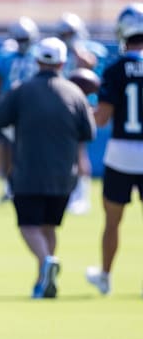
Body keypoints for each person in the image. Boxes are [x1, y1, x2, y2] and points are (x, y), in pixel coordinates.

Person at [0, 37, 95, 299]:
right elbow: (89, 132)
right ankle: (43, 281)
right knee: (49, 227)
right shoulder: (75, 92)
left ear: (37, 60)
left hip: (28, 172)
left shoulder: (22, 89)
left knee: (28, 226)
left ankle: (46, 260)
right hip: (63, 176)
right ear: (62, 61)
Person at [85, 3, 143, 296]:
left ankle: (106, 277)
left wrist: (83, 111)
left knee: (112, 221)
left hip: (121, 151)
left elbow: (103, 117)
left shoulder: (116, 68)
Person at [55, 12, 110, 215]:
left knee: (79, 152)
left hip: (85, 107)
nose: (66, 37)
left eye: (70, 33)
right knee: (66, 155)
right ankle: (71, 193)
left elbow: (90, 65)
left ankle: (82, 196)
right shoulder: (62, 52)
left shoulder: (89, 49)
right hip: (64, 106)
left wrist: (76, 46)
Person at [0, 16, 39, 205]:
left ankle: (17, 188)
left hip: (27, 112)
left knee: (23, 154)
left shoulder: (37, 57)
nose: (23, 43)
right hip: (8, 110)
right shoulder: (5, 56)